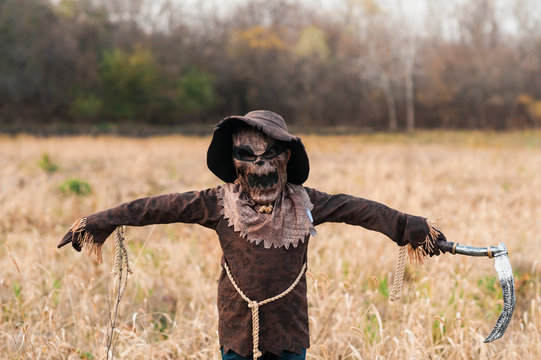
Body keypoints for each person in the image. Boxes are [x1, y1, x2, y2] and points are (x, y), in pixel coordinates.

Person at [58, 110, 446, 360]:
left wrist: (416, 230)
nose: (260, 166)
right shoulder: (216, 203)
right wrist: (96, 223)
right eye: (247, 155)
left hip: (289, 332)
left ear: (288, 157)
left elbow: (361, 209)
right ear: (233, 162)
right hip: (237, 333)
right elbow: (155, 206)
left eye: (270, 154)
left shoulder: (307, 203)